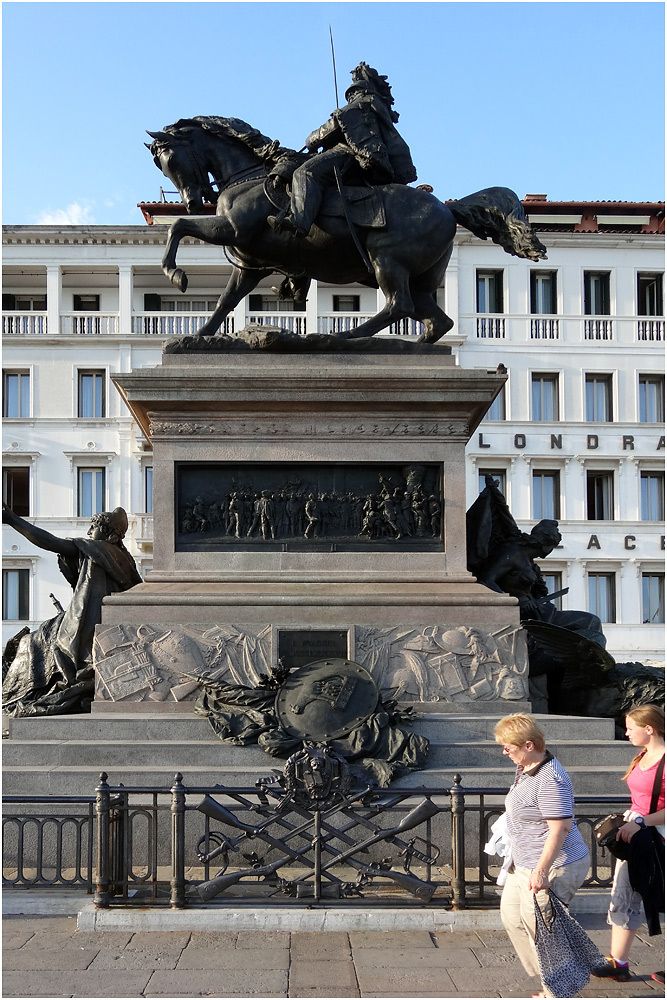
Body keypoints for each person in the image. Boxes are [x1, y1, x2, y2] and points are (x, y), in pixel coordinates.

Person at [2, 504, 141, 716]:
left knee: (31, 643)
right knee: (38, 637)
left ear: (109, 535)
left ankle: (25, 692)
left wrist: (13, 520)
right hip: (97, 620)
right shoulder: (124, 559)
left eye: (94, 527)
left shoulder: (97, 550)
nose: (88, 532)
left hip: (88, 628)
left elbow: (50, 542)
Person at [494, 713, 590, 998]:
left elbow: (559, 829)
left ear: (527, 745)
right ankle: (556, 977)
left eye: (508, 747)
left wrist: (541, 871)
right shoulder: (527, 766)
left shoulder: (551, 778)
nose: (504, 752)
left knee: (544, 931)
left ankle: (559, 988)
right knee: (512, 917)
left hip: (553, 865)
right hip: (523, 862)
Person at [270, 62, 417, 238]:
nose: (351, 97)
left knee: (305, 172)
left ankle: (298, 222)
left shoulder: (360, 104)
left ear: (356, 92)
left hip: (350, 155)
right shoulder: (378, 107)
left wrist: (311, 139)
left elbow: (328, 130)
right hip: (373, 163)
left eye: (352, 94)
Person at [592, 704, 665, 985]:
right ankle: (618, 962)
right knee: (624, 894)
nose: (626, 733)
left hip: (657, 836)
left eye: (631, 728)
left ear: (649, 729)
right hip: (638, 835)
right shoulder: (642, 755)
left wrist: (642, 822)